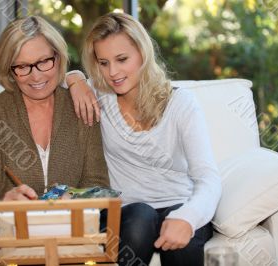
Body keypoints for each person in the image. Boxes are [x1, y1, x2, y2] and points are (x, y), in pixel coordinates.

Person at [70, 12, 222, 266]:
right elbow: (54, 83)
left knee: (179, 240)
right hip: (129, 214)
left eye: (122, 59)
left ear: (143, 53)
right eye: (103, 63)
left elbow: (208, 177)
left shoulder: (181, 103)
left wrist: (188, 216)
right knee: (141, 216)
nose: (113, 72)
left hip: (178, 203)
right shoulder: (99, 97)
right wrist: (74, 79)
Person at [0, 16, 109, 254]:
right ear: (9, 69)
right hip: (1, 233)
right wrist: (0, 208)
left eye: (44, 61)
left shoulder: (81, 106)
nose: (35, 76)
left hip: (68, 229)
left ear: (58, 57)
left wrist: (74, 201)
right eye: (22, 67)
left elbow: (97, 184)